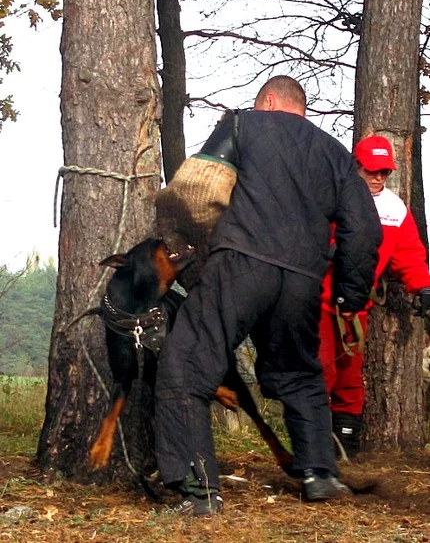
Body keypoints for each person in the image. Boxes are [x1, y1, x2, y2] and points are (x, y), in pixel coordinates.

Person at [154, 76, 382, 516]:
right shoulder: (334, 153)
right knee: (300, 373)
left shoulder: (243, 124)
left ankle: (199, 494)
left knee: (186, 365)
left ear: (270, 101)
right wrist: (349, 295)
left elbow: (194, 192)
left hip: (241, 262)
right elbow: (364, 229)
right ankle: (321, 474)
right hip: (303, 280)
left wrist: (201, 265)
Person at [319, 135, 430, 459]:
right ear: (356, 166)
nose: (379, 177)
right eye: (372, 170)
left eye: (384, 171)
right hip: (318, 300)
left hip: (358, 306)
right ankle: (315, 446)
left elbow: (409, 254)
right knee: (321, 371)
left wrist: (423, 287)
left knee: (350, 378)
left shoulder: (395, 209)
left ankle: (345, 449)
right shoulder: (332, 197)